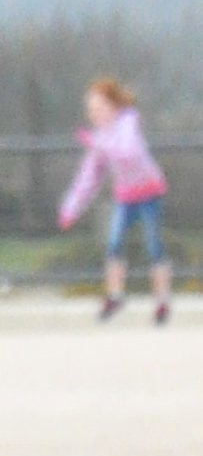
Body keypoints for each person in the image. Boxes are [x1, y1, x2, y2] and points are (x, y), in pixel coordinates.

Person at [58, 76, 173, 324]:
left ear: (113, 107)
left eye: (99, 108)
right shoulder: (100, 138)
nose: (94, 115)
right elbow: (88, 178)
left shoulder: (128, 122)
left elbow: (128, 152)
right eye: (91, 110)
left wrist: (98, 143)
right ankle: (115, 295)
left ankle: (162, 301)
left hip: (149, 191)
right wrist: (70, 209)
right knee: (114, 244)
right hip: (126, 195)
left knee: (153, 246)